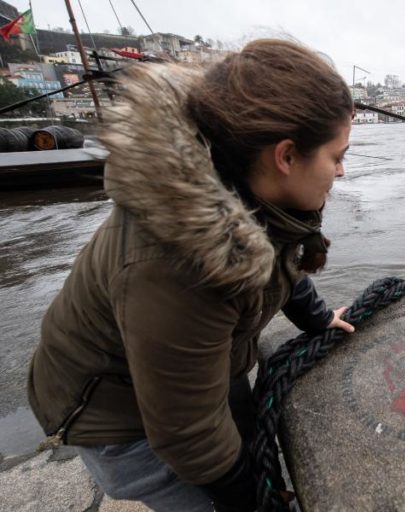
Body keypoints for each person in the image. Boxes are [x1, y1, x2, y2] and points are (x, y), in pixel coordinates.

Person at [27, 39, 355, 512]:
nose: (341, 171)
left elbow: (278, 253)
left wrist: (317, 318)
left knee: (247, 450)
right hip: (120, 415)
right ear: (285, 157)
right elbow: (188, 434)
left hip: (203, 367)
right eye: (337, 155)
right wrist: (250, 501)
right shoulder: (179, 268)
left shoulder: (242, 171)